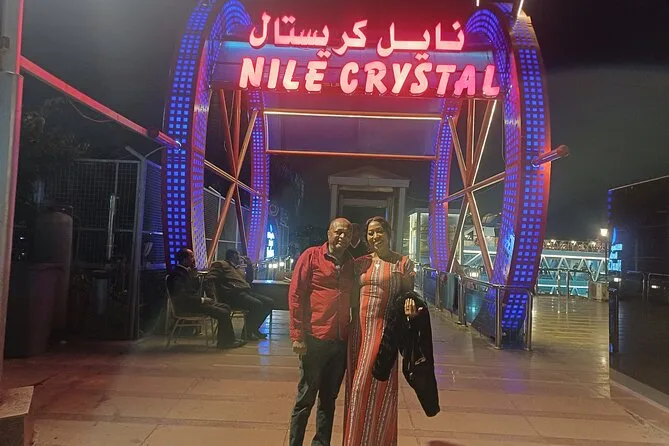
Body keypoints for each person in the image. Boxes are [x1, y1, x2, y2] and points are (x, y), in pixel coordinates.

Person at [343, 216, 419, 446]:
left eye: (379, 231)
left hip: (384, 331)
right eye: (370, 233)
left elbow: (408, 295)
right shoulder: (360, 264)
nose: (375, 236)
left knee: (375, 387)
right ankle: (355, 440)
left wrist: (411, 307)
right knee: (355, 388)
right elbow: (348, 296)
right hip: (358, 333)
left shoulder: (402, 264)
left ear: (388, 233)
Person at [288, 218, 355, 446]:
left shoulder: (351, 263)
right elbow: (296, 295)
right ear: (328, 233)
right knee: (305, 399)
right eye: (338, 232)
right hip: (315, 339)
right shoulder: (311, 256)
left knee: (328, 399)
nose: (342, 237)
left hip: (340, 342)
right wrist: (297, 336)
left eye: (347, 234)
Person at [166, 248, 245, 350]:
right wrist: (202, 300)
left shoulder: (185, 272)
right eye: (191, 257)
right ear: (184, 259)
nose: (194, 259)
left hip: (193, 302)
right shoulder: (177, 275)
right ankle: (225, 342)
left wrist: (195, 277)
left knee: (225, 307)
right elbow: (182, 297)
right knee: (223, 312)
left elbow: (194, 289)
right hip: (188, 305)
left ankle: (228, 339)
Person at [205, 249, 274, 341]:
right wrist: (213, 297)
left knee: (269, 302)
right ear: (234, 256)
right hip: (233, 295)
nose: (240, 258)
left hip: (245, 292)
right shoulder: (221, 264)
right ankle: (247, 333)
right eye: (238, 256)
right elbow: (208, 279)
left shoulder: (237, 268)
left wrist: (249, 266)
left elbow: (249, 281)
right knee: (257, 304)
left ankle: (253, 328)